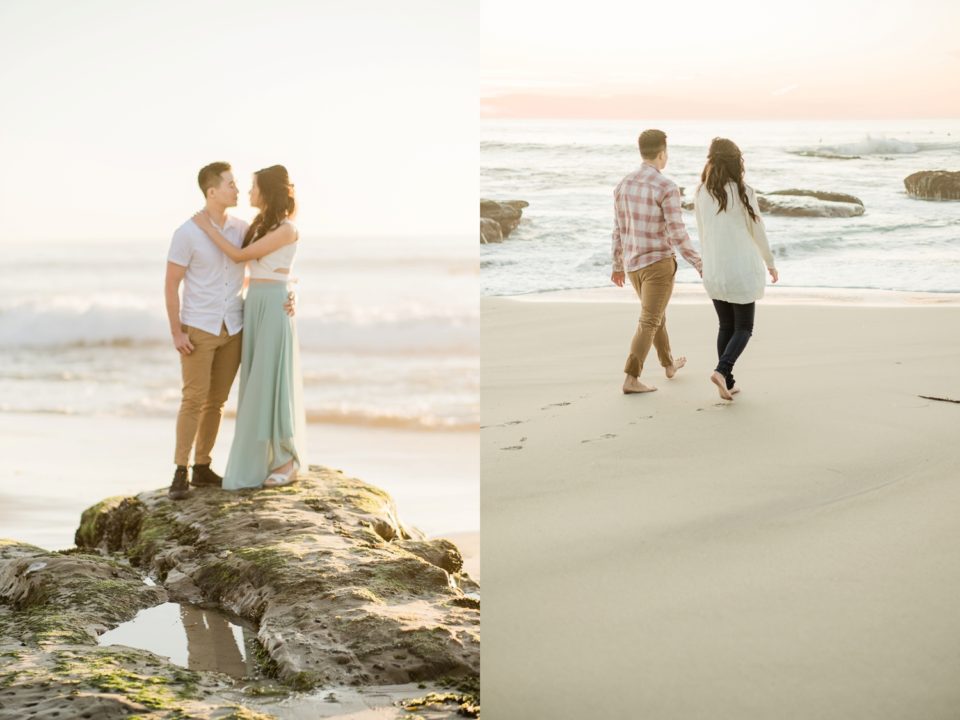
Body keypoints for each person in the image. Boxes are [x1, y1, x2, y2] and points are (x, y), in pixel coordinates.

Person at [192, 165, 307, 489]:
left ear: (267, 191)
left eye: (254, 187)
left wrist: (207, 227)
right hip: (254, 303)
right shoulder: (259, 225)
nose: (248, 192)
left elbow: (239, 255)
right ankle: (267, 457)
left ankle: (286, 459)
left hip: (271, 306)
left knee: (273, 379)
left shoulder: (286, 228)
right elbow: (255, 270)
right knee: (257, 382)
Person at [611, 129, 703, 394]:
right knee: (650, 319)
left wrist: (617, 265)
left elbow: (618, 229)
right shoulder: (666, 187)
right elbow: (677, 232)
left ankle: (668, 364)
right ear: (663, 153)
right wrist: (699, 263)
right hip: (658, 265)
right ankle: (631, 377)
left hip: (633, 266)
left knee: (656, 315)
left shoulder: (623, 185)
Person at [694, 138, 778, 401]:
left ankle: (727, 382)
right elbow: (758, 231)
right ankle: (722, 371)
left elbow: (702, 232)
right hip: (740, 269)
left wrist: (706, 263)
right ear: (736, 162)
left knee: (725, 324)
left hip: (715, 269)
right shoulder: (743, 191)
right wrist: (770, 262)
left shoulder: (701, 192)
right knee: (744, 327)